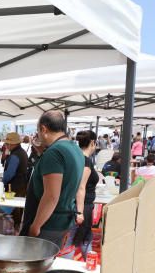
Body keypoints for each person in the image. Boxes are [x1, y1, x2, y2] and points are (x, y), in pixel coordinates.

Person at [19, 110, 84, 247]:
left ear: (43, 129)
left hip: (48, 224)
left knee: (35, 266)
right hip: (62, 220)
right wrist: (42, 152)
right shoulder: (74, 148)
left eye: (38, 131)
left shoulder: (54, 152)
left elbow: (51, 196)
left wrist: (36, 225)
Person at [64, 131, 99, 260]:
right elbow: (80, 187)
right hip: (81, 206)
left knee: (85, 238)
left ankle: (89, 264)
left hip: (80, 205)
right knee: (73, 241)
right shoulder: (85, 161)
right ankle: (65, 269)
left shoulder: (76, 158)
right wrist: (80, 212)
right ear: (92, 143)